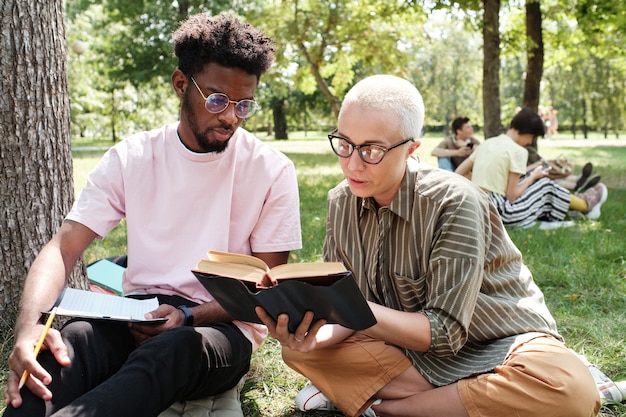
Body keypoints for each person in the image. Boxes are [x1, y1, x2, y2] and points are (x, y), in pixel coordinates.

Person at [3, 12, 302, 417]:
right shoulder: (133, 157)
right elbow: (63, 246)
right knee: (70, 343)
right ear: (182, 85)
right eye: (217, 100)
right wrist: (28, 328)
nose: (231, 116)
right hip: (138, 312)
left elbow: (266, 287)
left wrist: (187, 315)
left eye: (244, 104)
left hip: (220, 330)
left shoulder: (271, 171)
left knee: (175, 348)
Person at [256, 75, 600, 417]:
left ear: (411, 149)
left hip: (501, 343)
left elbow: (445, 334)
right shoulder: (340, 201)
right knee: (300, 352)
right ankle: (461, 401)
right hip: (404, 349)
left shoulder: (455, 202)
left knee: (568, 392)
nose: (353, 163)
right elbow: (344, 309)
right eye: (344, 144)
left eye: (372, 150)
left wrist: (355, 307)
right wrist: (316, 335)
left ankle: (384, 407)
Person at [456, 108, 608, 228]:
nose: (530, 142)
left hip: (478, 207)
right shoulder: (518, 151)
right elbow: (512, 195)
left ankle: (574, 208)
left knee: (533, 184)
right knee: (544, 184)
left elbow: (459, 173)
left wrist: (481, 180)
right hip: (501, 213)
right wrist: (533, 176)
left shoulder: (487, 143)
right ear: (527, 132)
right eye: (533, 137)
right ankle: (586, 206)